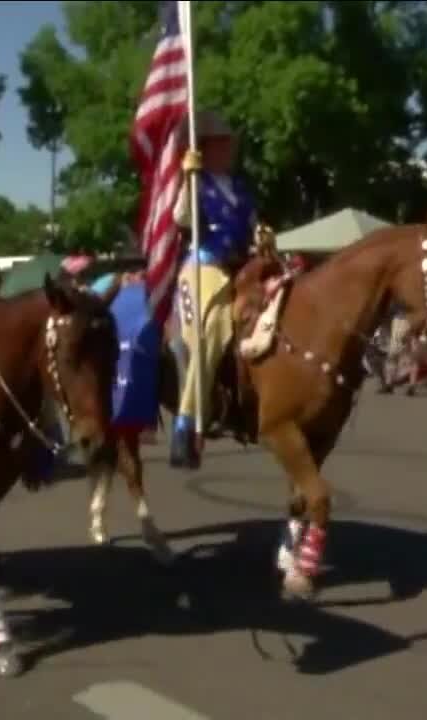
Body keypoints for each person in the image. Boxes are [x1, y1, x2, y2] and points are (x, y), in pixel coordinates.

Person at [168, 108, 260, 470]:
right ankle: (186, 422)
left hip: (243, 265)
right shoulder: (196, 182)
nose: (230, 150)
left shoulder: (239, 187)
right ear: (207, 149)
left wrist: (262, 237)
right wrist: (186, 178)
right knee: (209, 332)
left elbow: (252, 224)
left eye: (231, 144)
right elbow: (181, 219)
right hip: (204, 266)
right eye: (224, 144)